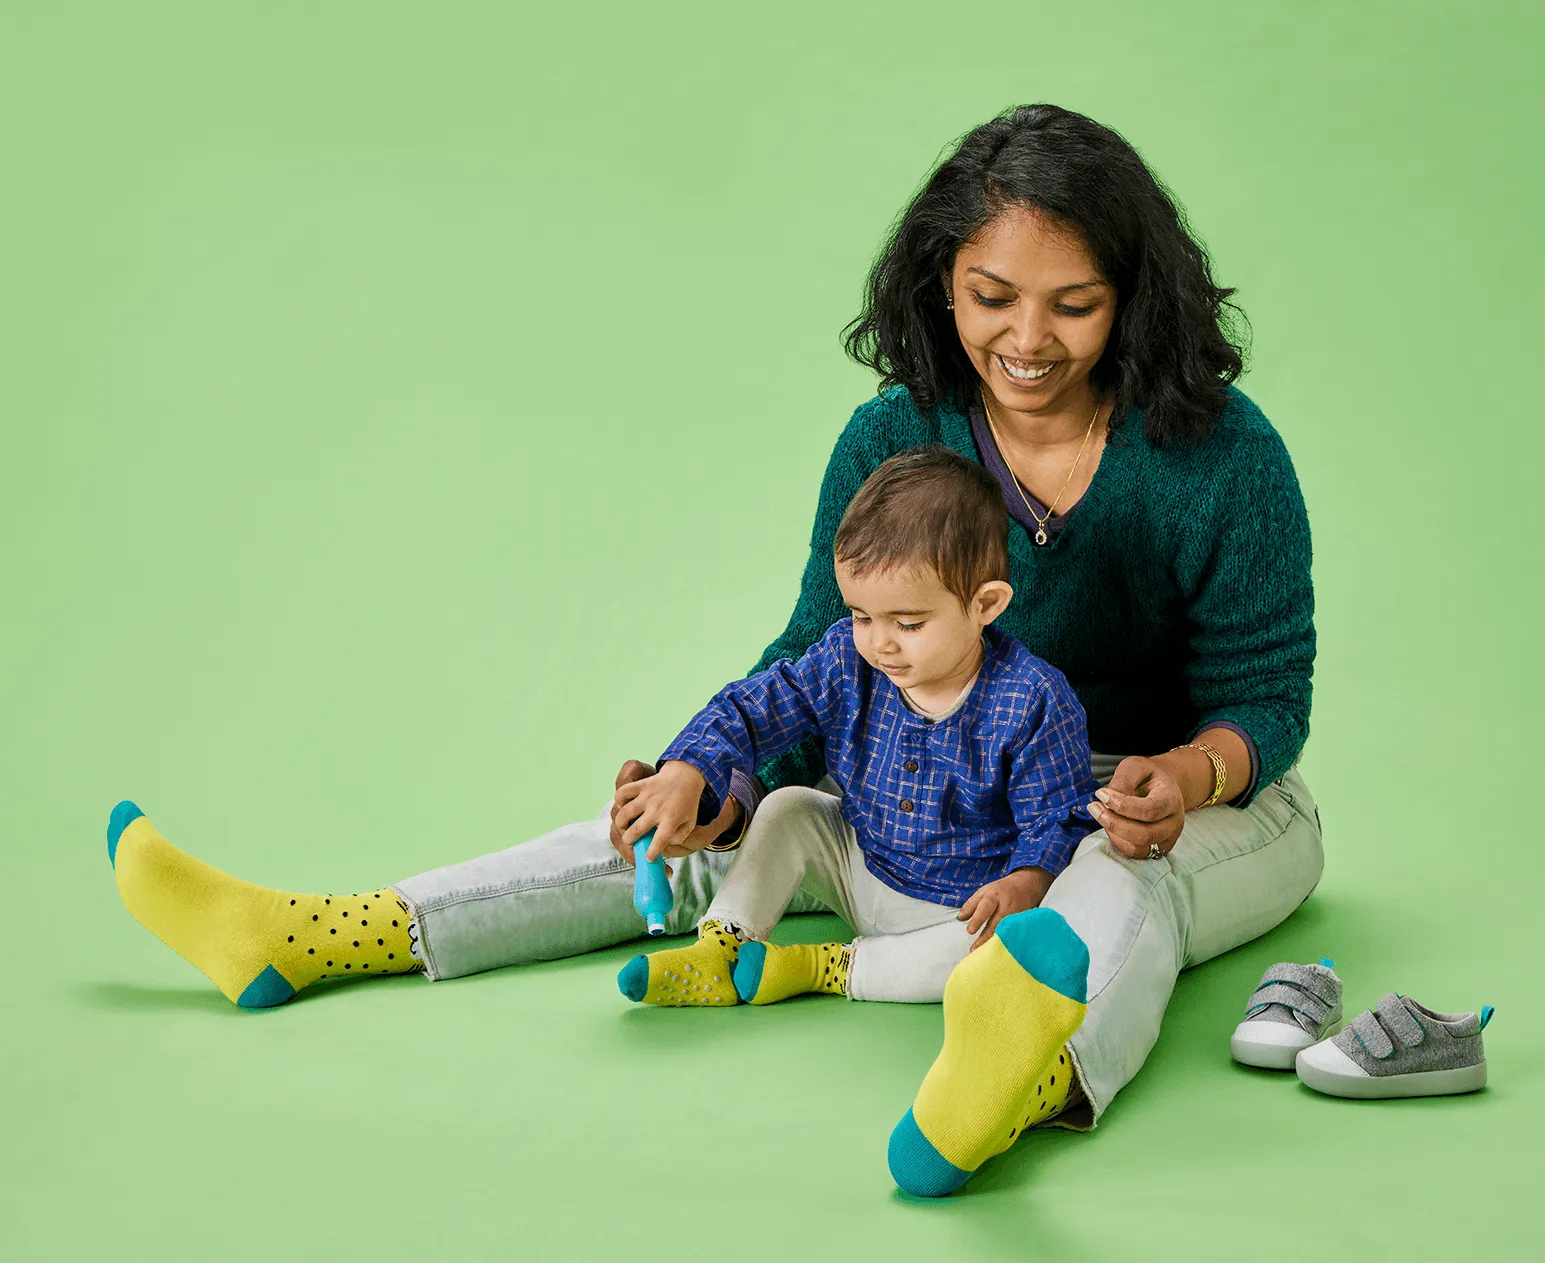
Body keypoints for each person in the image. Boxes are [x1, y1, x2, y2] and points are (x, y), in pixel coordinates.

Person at [104, 102, 1321, 1141]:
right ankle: (330, 934)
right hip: (927, 781)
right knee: (685, 832)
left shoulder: (1218, 456)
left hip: (1174, 800)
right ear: (938, 281)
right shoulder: (894, 436)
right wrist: (713, 779)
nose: (1026, 341)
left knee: (1115, 883)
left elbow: (1267, 692)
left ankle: (1026, 1079)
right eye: (990, 297)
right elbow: (818, 654)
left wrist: (1188, 774)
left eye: (1075, 306)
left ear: (1133, 302)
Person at [611, 446, 1099, 1012]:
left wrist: (1028, 881)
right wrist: (688, 769)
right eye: (862, 616)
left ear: (985, 605)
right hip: (861, 867)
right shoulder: (848, 659)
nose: (880, 642)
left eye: (908, 623)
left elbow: (1057, 817)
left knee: (1012, 951)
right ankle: (723, 943)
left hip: (961, 910)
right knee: (790, 807)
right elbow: (754, 707)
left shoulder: (1034, 700)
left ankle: (825, 967)